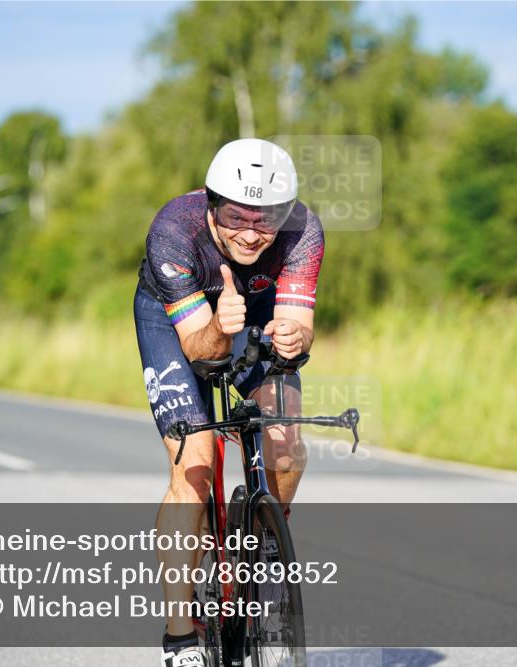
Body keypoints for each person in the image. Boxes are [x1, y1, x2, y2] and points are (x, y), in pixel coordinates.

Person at [133, 138, 324, 667]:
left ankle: (264, 540)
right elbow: (202, 350)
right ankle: (180, 637)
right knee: (195, 462)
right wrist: (220, 324)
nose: (249, 233)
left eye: (265, 221)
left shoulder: (304, 231)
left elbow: (300, 328)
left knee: (285, 446)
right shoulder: (174, 230)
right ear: (211, 203)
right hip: (180, 320)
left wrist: (292, 341)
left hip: (255, 313)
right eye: (236, 217)